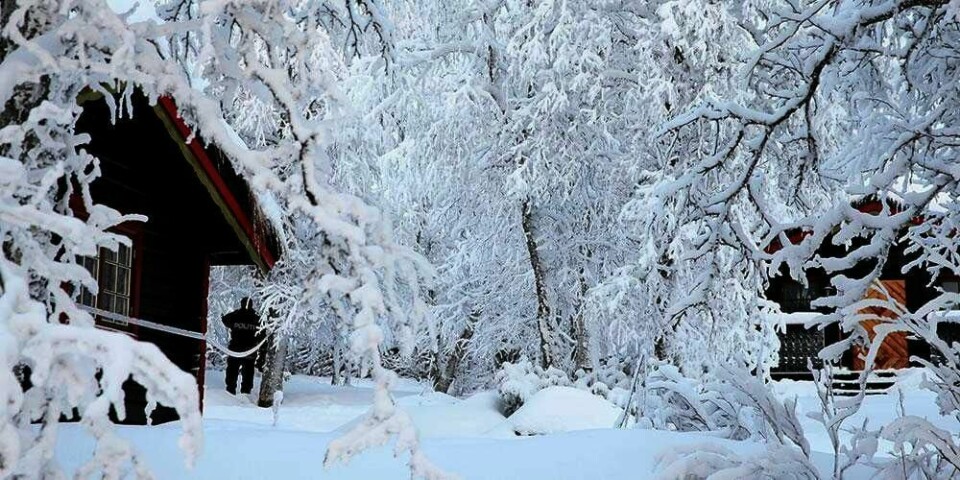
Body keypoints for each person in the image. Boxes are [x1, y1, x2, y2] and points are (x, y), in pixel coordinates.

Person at [222, 297, 263, 395]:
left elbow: (225, 320)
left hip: (235, 349)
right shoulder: (257, 318)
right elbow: (263, 331)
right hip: (250, 350)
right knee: (248, 372)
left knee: (232, 370)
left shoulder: (235, 316)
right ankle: (246, 392)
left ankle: (230, 390)